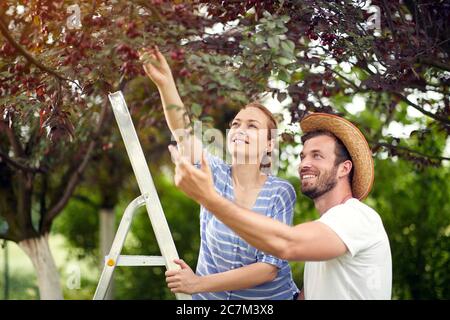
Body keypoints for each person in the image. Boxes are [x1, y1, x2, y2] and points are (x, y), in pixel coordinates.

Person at [168, 112, 393, 300]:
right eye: (303, 155)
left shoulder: (357, 217)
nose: (305, 163)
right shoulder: (326, 231)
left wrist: (210, 199)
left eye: (317, 156)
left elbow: (285, 245)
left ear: (344, 168)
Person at [140, 47, 298, 300]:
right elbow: (183, 132)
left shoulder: (280, 192)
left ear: (269, 144)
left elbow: (268, 269)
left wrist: (197, 284)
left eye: (252, 126)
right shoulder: (214, 174)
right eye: (235, 124)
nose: (239, 129)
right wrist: (165, 84)